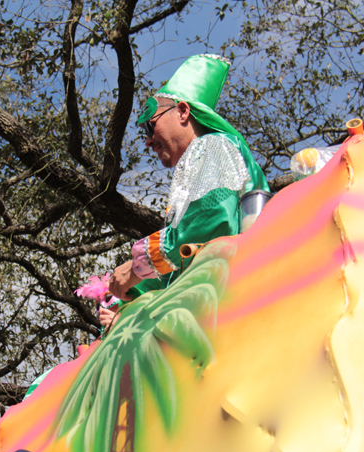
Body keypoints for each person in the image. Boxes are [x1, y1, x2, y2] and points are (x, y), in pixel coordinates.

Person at [109, 54, 269, 301]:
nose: (148, 141)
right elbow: (190, 257)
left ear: (182, 111)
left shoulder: (211, 146)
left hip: (236, 298)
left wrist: (138, 266)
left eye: (150, 126)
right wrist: (132, 292)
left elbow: (213, 222)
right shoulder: (203, 160)